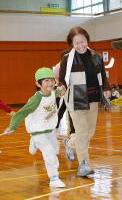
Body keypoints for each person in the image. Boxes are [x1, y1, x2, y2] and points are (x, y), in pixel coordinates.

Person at [59, 26, 111, 177]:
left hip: (94, 99)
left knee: (90, 132)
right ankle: (84, 165)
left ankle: (70, 143)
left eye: (83, 42)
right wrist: (62, 86)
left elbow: (103, 76)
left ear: (87, 40)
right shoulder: (67, 59)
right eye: (77, 43)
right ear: (71, 44)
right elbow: (62, 79)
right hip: (76, 100)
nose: (81, 45)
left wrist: (106, 88)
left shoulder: (96, 56)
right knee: (82, 131)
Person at [1, 68, 66, 188]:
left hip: (49, 130)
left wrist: (61, 91)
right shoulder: (36, 99)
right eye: (46, 81)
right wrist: (12, 126)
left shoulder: (52, 92)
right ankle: (54, 178)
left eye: (52, 80)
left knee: (55, 150)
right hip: (38, 131)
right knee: (49, 153)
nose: (50, 83)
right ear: (38, 83)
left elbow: (58, 93)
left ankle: (35, 144)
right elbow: (22, 113)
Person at [54, 50, 76, 162]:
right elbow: (57, 81)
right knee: (60, 111)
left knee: (72, 114)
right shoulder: (58, 67)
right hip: (62, 94)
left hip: (73, 93)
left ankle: (73, 135)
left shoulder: (74, 65)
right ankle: (55, 128)